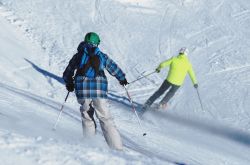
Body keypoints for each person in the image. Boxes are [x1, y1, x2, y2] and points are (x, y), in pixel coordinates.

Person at [63, 32, 128, 150]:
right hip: (99, 90)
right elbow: (113, 67)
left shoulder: (78, 56)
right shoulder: (102, 56)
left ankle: (90, 145)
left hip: (82, 89)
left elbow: (68, 71)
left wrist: (69, 83)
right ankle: (117, 148)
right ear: (97, 43)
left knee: (87, 117)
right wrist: (122, 79)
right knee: (105, 118)